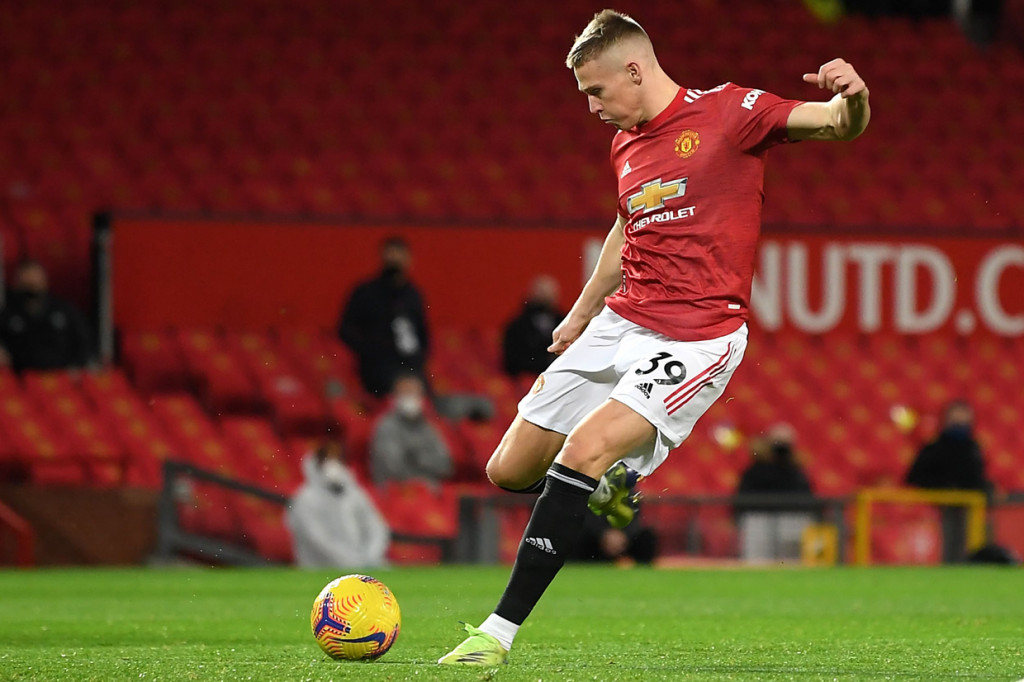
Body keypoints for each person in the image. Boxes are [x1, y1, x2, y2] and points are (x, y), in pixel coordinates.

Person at [439, 9, 869, 665]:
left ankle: (495, 636)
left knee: (581, 450)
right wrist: (583, 312)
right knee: (507, 469)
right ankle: (608, 485)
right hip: (620, 321)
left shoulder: (731, 112)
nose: (591, 108)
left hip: (697, 336)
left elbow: (837, 124)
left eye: (596, 91)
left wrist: (854, 96)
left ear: (635, 70)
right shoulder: (626, 144)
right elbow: (625, 224)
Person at [337, 236, 430, 396]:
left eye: (399, 255)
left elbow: (422, 332)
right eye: (390, 254)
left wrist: (419, 358)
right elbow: (345, 329)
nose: (394, 259)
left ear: (409, 259)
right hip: (378, 369)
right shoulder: (366, 292)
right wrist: (369, 351)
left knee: (427, 399)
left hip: (411, 366)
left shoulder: (413, 294)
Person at [905, 399, 992, 562]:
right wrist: (943, 490)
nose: (960, 422)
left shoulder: (973, 449)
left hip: (970, 506)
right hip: (940, 507)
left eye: (964, 417)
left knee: (973, 540)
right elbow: (915, 478)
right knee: (948, 540)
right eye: (956, 417)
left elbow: (977, 478)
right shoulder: (934, 448)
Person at [286, 439, 390, 568]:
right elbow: (316, 538)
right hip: (320, 569)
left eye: (336, 460)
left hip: (362, 562)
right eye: (327, 460)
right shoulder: (305, 499)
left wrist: (371, 555)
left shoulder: (355, 495)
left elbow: (375, 526)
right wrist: (348, 560)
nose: (333, 465)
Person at [734, 424, 816, 562]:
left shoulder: (796, 470)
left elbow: (807, 496)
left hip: (793, 522)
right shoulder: (756, 469)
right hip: (758, 522)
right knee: (756, 563)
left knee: (792, 564)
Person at [0, 260, 95, 372]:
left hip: (62, 378)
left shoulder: (65, 311)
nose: (31, 290)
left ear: (44, 282)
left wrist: (76, 367)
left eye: (34, 284)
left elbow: (85, 343)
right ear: (16, 284)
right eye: (26, 285)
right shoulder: (7, 314)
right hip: (21, 379)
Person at [369, 373, 453, 488]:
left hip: (427, 488)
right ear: (395, 396)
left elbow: (445, 465)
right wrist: (425, 467)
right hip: (395, 491)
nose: (410, 398)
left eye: (414, 393)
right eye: (406, 393)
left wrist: (416, 458)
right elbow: (393, 468)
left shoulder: (427, 427)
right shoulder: (386, 426)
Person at [502, 275, 564, 378]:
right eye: (542, 293)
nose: (545, 297)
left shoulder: (562, 322)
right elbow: (512, 361)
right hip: (526, 379)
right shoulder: (518, 326)